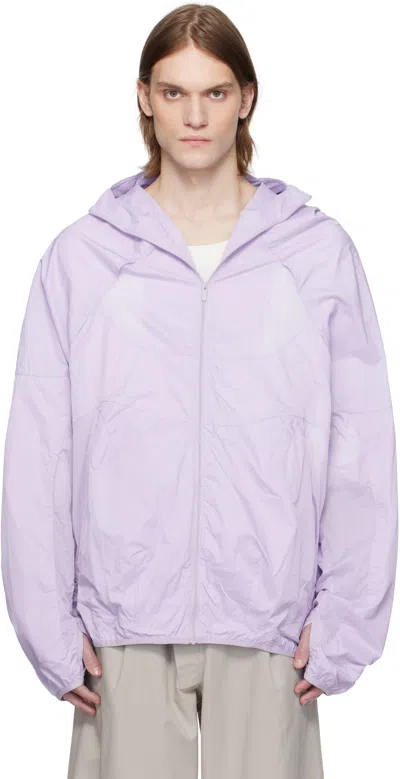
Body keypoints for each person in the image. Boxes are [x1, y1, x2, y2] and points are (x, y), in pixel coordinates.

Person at [1, 4, 398, 778]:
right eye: (174, 92)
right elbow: (39, 450)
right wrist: (46, 624)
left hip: (272, 621)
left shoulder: (316, 255)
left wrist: (347, 617)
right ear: (144, 97)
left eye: (214, 93)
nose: (194, 116)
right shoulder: (82, 259)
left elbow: (363, 449)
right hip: (121, 623)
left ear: (246, 98)